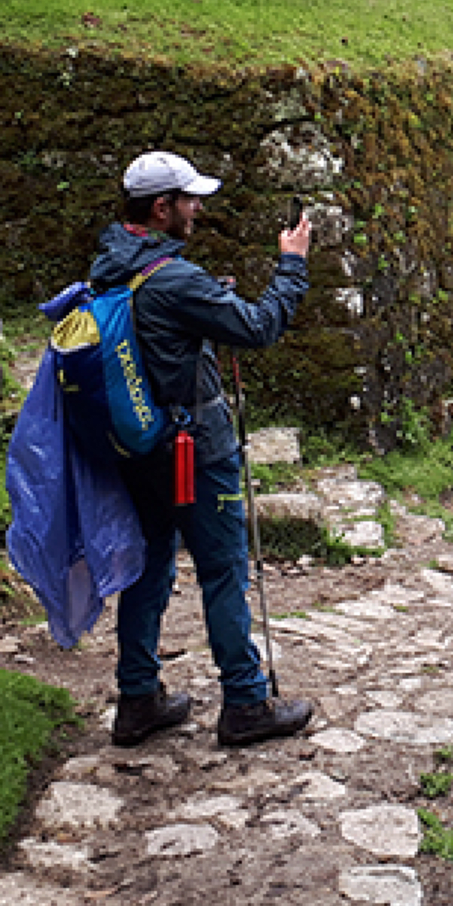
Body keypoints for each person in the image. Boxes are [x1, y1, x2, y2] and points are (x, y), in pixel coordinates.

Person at [96, 150, 318, 749]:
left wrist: (201, 306)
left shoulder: (112, 264)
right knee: (222, 571)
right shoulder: (173, 279)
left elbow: (157, 332)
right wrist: (291, 266)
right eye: (190, 199)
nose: (200, 208)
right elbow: (259, 326)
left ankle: (137, 699)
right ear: (161, 207)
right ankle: (245, 702)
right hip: (197, 450)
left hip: (138, 448)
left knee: (148, 570)